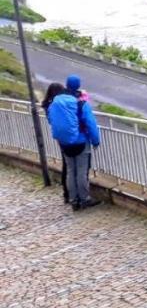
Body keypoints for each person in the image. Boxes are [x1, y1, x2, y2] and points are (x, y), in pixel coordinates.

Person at [46, 74, 101, 210]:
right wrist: (95, 141)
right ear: (78, 86)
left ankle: (73, 199)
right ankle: (84, 199)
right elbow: (90, 123)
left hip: (64, 142)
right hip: (81, 141)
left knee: (71, 171)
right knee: (82, 172)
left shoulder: (55, 102)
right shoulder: (80, 103)